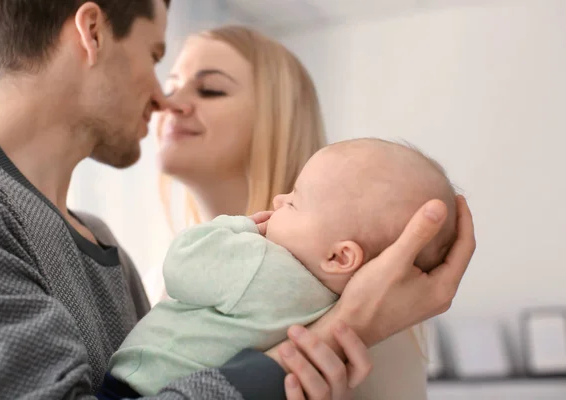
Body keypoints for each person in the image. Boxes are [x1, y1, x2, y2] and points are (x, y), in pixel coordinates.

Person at [0, 1, 475, 399]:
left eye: (210, 90)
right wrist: (338, 332)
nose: (166, 100)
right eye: (157, 58)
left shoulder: (112, 253)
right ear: (92, 32)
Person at [155, 25, 460, 399]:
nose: (169, 103)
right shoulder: (173, 278)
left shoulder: (371, 306)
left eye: (210, 90)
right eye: (170, 86)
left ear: (277, 118)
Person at [104, 138, 458, 398]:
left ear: (339, 257)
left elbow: (181, 262)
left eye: (294, 201)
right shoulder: (331, 309)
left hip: (140, 385)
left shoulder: (257, 264)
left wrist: (240, 227)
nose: (277, 200)